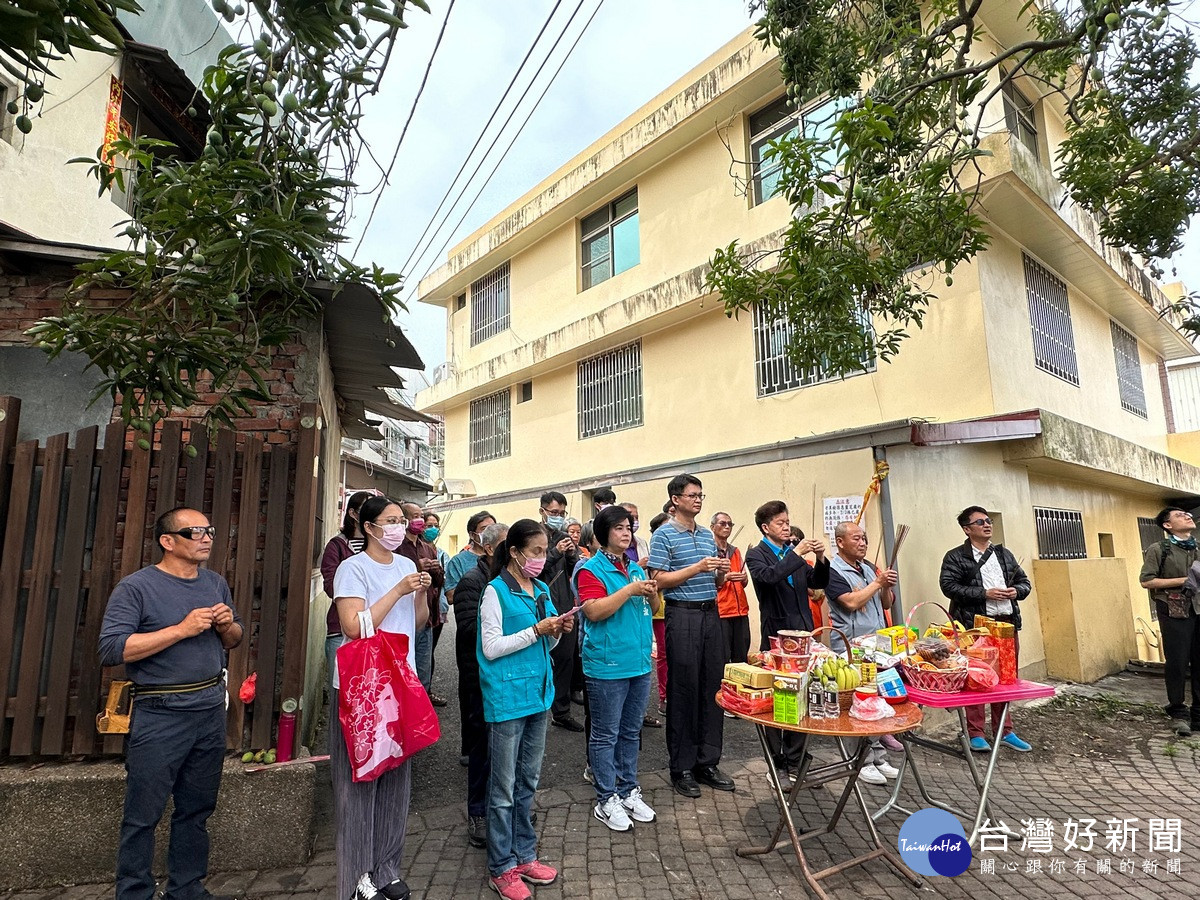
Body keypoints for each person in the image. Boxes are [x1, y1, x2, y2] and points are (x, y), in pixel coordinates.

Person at [99, 507, 244, 900]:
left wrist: (227, 624)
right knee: (143, 815)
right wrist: (180, 630)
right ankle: (134, 892)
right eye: (195, 531)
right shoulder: (136, 588)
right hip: (160, 713)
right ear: (168, 541)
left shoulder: (214, 582)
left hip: (209, 710)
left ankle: (186, 888)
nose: (207, 537)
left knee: (196, 810)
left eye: (210, 530)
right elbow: (112, 648)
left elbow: (233, 639)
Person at [331, 495, 430, 900]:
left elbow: (418, 623)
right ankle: (355, 879)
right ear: (368, 527)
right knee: (358, 784)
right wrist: (398, 589)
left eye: (402, 520)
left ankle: (386, 868)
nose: (399, 527)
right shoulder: (351, 568)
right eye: (390, 521)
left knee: (395, 780)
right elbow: (354, 627)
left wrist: (421, 591)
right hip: (362, 689)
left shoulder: (407, 565)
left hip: (399, 683)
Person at [478, 519, 572, 900]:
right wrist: (537, 630)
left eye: (545, 550)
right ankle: (501, 867)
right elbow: (490, 647)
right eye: (535, 551)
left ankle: (525, 855)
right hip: (507, 699)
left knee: (528, 782)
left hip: (538, 694)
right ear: (514, 552)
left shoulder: (543, 589)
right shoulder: (494, 592)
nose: (542, 557)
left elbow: (543, 648)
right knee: (502, 788)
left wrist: (556, 631)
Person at [648, 473, 734, 798]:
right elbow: (658, 579)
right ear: (675, 500)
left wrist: (722, 573)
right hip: (681, 614)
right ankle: (681, 766)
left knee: (712, 686)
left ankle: (707, 761)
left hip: (710, 612)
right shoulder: (663, 535)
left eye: (701, 495)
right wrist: (698, 567)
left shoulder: (709, 537)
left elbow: (716, 584)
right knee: (683, 689)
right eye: (692, 495)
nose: (698, 499)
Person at [578, 506, 661, 831]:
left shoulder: (636, 570)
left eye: (629, 527)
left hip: (638, 663)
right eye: (619, 528)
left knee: (630, 731)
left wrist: (651, 594)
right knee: (605, 734)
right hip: (607, 666)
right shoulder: (590, 570)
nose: (626, 533)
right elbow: (594, 612)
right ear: (603, 534)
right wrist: (628, 590)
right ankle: (606, 797)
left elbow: (652, 609)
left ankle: (628, 790)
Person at [744, 501, 829, 777]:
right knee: (776, 697)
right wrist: (797, 553)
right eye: (780, 523)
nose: (787, 526)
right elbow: (769, 578)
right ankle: (775, 760)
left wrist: (821, 558)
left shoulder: (794, 553)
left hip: (803, 634)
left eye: (788, 521)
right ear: (766, 527)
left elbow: (816, 582)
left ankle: (796, 760)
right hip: (777, 636)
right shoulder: (757, 555)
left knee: (801, 695)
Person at [939, 506, 1033, 753]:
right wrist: (984, 593)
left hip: (1006, 624)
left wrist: (1016, 591)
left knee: (1006, 677)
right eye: (980, 522)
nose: (986, 525)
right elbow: (948, 587)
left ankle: (1005, 730)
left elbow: (1024, 582)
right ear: (967, 529)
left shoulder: (1003, 554)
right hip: (975, 627)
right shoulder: (955, 556)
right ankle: (976, 732)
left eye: (988, 520)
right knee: (976, 678)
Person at [825, 521, 899, 786]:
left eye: (864, 538)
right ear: (841, 542)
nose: (863, 542)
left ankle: (878, 755)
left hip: (875, 647)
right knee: (856, 705)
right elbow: (852, 602)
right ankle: (860, 760)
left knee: (874, 703)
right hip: (851, 647)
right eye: (856, 538)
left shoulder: (868, 568)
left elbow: (886, 603)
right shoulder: (833, 571)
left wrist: (886, 586)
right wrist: (877, 582)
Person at [453, 521, 509, 848]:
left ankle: (503, 809)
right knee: (482, 750)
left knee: (507, 751)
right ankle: (478, 812)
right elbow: (472, 630)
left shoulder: (514, 581)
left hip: (509, 678)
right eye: (506, 545)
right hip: (480, 678)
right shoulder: (471, 582)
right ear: (489, 548)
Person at [1141, 507, 1200, 736]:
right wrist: (1184, 580)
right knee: (1177, 661)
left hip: (1198, 608)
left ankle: (1198, 714)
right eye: (1179, 515)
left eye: (1187, 514)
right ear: (1167, 525)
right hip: (1174, 610)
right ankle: (1178, 712)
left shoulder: (1197, 547)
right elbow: (1147, 581)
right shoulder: (1159, 549)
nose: (1187, 516)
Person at [539, 491, 585, 733]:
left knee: (566, 658)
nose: (558, 517)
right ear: (542, 511)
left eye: (561, 513)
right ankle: (535, 709)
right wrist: (555, 551)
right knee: (539, 658)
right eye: (554, 513)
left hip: (564, 604)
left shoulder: (564, 536)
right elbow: (532, 568)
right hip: (540, 603)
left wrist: (570, 553)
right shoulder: (532, 534)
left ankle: (561, 711)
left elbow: (573, 568)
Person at [321, 491, 373, 688]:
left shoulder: (383, 546)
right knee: (342, 692)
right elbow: (331, 586)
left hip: (376, 630)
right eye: (367, 509)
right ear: (353, 513)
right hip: (341, 630)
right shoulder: (337, 546)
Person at [397, 501, 446, 707]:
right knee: (402, 670)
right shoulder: (397, 547)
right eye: (415, 516)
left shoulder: (427, 547)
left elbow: (440, 583)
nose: (420, 521)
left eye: (421, 516)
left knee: (424, 669)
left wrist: (436, 570)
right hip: (401, 617)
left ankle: (421, 709)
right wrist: (417, 566)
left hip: (426, 617)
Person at [712, 512, 751, 670]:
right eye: (722, 523)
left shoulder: (735, 551)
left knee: (741, 657)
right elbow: (709, 582)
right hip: (722, 611)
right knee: (721, 657)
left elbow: (745, 582)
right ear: (713, 527)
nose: (727, 526)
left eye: (730, 524)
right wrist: (726, 577)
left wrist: (743, 577)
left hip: (741, 610)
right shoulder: (709, 551)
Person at [422, 509, 452, 701]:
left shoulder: (442, 554)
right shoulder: (415, 550)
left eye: (435, 526)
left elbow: (446, 582)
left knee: (429, 649)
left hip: (438, 608)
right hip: (419, 606)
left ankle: (428, 690)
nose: (432, 529)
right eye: (428, 525)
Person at [446, 510, 497, 603]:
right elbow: (450, 597)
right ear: (472, 535)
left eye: (493, 528)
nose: (490, 532)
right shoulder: (458, 561)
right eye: (484, 528)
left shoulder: (503, 557)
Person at [647, 513, 671, 713]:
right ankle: (664, 696)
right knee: (663, 654)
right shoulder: (652, 552)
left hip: (676, 606)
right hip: (659, 611)